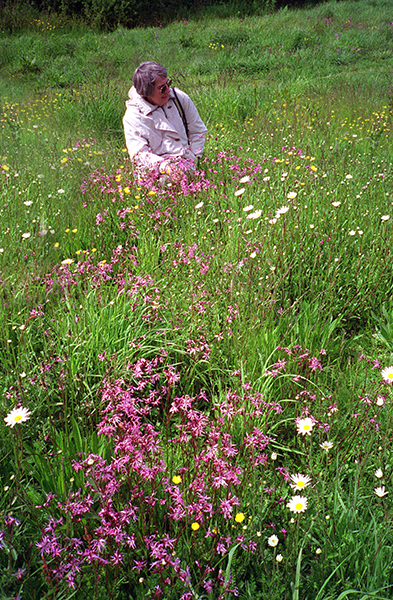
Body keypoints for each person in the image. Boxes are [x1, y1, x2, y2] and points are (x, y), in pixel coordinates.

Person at [123, 61, 207, 181]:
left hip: (187, 163)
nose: (168, 90)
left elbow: (197, 131)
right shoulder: (133, 116)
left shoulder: (179, 98)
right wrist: (165, 167)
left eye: (168, 84)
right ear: (147, 92)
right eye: (162, 88)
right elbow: (139, 155)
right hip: (156, 173)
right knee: (165, 182)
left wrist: (194, 159)